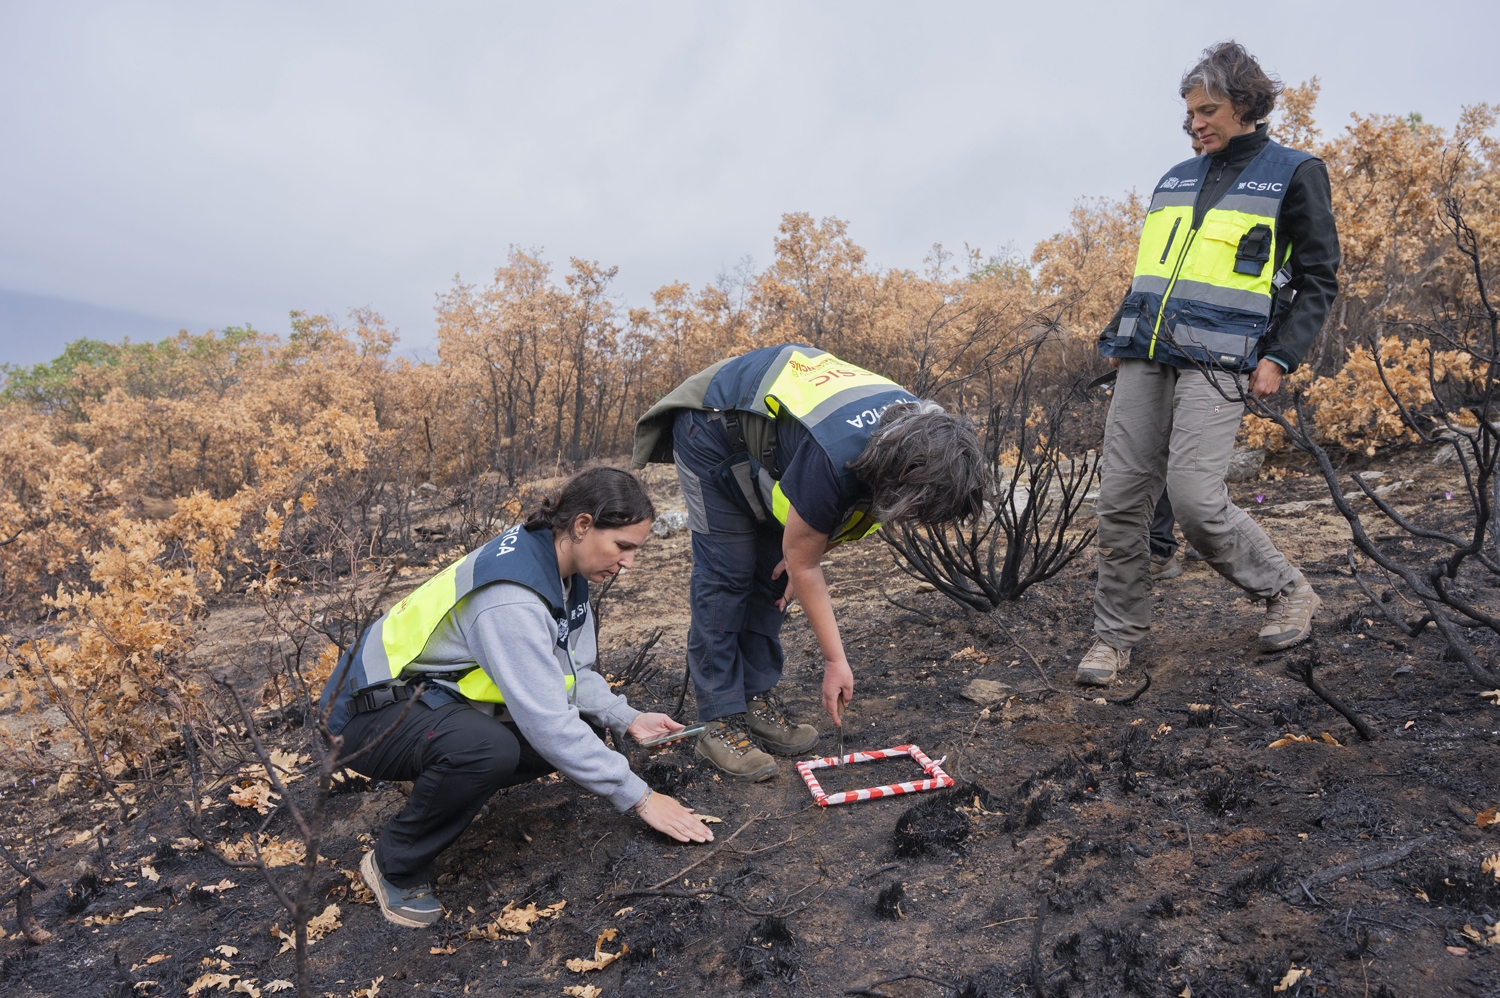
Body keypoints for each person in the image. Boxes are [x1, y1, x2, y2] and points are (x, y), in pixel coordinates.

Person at [320, 466, 713, 928]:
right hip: (360, 717)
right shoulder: (513, 598)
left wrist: (624, 716)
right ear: (582, 525)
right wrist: (643, 798)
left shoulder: (563, 565)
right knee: (489, 750)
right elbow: (547, 722)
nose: (628, 563)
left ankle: (434, 771)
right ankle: (394, 866)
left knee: (585, 726)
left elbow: (571, 673)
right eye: (623, 546)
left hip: (424, 699)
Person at [1081, 40, 1340, 685]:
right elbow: (1156, 274)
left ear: (1246, 104)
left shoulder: (1294, 171)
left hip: (1220, 360)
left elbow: (1318, 278)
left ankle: (1286, 589)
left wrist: (1280, 356)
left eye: (1208, 110)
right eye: (1190, 114)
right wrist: (1119, 336)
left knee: (1194, 501)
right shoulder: (1174, 178)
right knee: (1117, 502)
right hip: (1145, 353)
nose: (1196, 123)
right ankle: (1115, 637)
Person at [633, 345, 986, 780]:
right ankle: (718, 721)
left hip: (772, 437)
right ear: (900, 474)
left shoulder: (923, 434)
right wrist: (836, 660)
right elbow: (807, 564)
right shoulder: (836, 458)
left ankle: (754, 697)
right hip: (711, 426)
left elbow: (814, 543)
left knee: (771, 571)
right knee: (727, 575)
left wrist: (797, 559)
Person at [1149, 116, 1207, 583]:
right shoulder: (1180, 192)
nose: (1197, 141)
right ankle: (1159, 548)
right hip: (1162, 346)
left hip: (1219, 352)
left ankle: (1201, 540)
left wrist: (1277, 353)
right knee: (1162, 451)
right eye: (1191, 134)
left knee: (1194, 457)